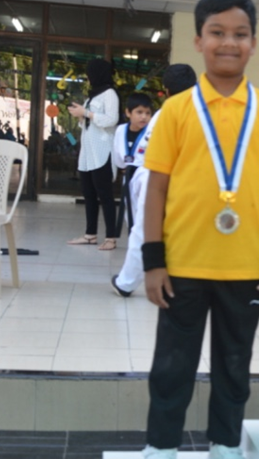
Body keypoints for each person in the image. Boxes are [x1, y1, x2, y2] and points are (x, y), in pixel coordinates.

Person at [138, 0, 259, 459]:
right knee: (173, 364)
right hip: (183, 264)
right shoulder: (176, 110)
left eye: (240, 34)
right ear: (198, 40)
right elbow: (156, 187)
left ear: (254, 43)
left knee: (235, 364)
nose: (229, 43)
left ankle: (225, 448)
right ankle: (161, 449)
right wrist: (152, 260)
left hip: (245, 266)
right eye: (217, 33)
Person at [111, 64, 197, 298]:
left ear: (166, 90)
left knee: (144, 231)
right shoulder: (205, 111)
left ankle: (126, 283)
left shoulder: (164, 114)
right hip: (189, 180)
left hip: (156, 177)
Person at [67, 58, 120, 250]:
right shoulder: (92, 97)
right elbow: (90, 122)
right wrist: (81, 115)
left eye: (90, 74)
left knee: (105, 196)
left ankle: (111, 238)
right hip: (87, 154)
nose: (88, 78)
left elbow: (111, 120)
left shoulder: (110, 94)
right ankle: (90, 235)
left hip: (102, 152)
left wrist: (87, 113)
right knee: (88, 194)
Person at [111, 92, 154, 235]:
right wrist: (122, 167)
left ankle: (145, 239)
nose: (144, 117)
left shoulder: (152, 131)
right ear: (128, 113)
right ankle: (134, 239)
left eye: (147, 113)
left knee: (145, 208)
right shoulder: (120, 130)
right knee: (129, 210)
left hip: (146, 175)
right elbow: (117, 153)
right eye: (139, 112)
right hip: (128, 174)